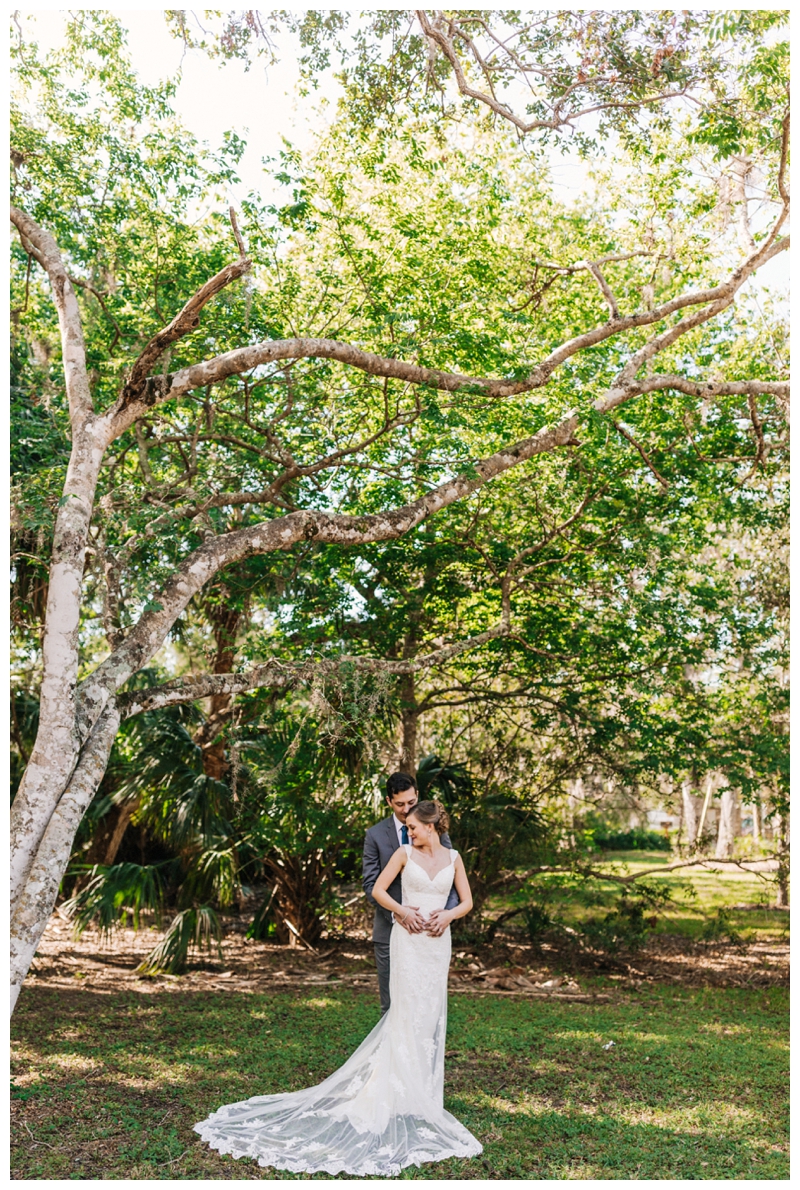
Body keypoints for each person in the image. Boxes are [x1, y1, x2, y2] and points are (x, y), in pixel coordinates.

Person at [193, 799, 482, 1177]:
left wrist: (447, 915)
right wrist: (404, 911)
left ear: (431, 826)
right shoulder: (403, 853)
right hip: (408, 942)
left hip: (436, 944)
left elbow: (467, 901)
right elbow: (378, 890)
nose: (408, 831)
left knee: (429, 1015)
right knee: (406, 1011)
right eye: (407, 827)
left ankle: (421, 1095)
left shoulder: (454, 858)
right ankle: (394, 1093)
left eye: (413, 826)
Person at [362, 771, 459, 1014]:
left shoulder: (434, 831)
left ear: (417, 795)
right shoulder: (374, 835)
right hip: (389, 931)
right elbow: (371, 885)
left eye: (411, 802)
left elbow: (450, 877)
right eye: (400, 804)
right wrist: (399, 915)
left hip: (431, 934)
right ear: (388, 802)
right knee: (392, 1005)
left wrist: (446, 915)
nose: (406, 810)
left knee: (428, 1003)